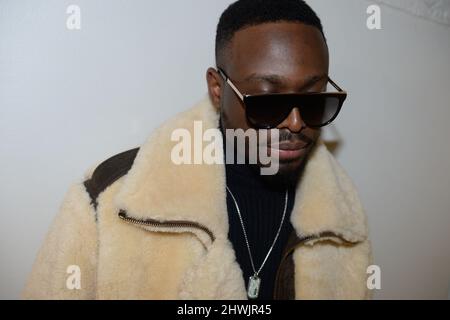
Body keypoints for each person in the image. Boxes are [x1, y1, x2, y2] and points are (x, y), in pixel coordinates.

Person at [23, 0, 372, 300]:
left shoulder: (343, 221)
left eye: (313, 100)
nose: (296, 123)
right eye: (268, 102)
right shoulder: (109, 200)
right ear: (218, 89)